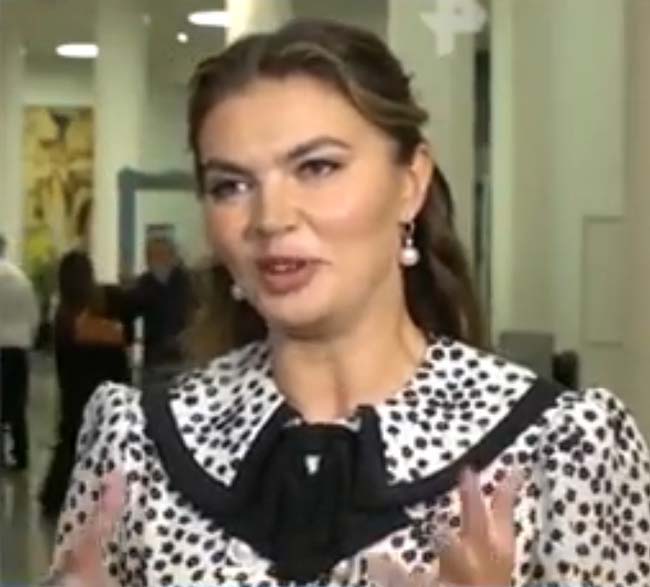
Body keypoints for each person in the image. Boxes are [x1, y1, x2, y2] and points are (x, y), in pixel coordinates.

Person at [48, 19, 650, 587]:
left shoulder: (559, 448)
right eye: (230, 185)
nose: (270, 218)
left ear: (410, 183)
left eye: (317, 167)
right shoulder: (138, 445)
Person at [39, 251, 130, 517]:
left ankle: (55, 495)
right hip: (101, 388)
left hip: (73, 387)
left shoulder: (64, 313)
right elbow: (115, 350)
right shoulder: (98, 312)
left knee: (70, 439)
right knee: (101, 442)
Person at [125, 236, 192, 392]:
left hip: (183, 357)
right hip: (154, 359)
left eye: (163, 254)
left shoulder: (187, 283)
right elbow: (130, 319)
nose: (158, 260)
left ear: (172, 256)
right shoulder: (142, 286)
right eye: (153, 255)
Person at [0, 234, 39, 470]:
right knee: (17, 404)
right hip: (18, 348)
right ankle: (21, 454)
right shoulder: (21, 279)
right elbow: (34, 317)